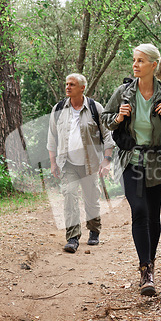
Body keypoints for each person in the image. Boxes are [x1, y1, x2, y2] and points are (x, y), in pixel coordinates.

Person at [101, 44, 161, 296]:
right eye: (134, 60)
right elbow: (105, 119)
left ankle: (149, 268)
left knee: (153, 216)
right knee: (139, 209)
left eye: (140, 61)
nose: (135, 65)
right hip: (132, 160)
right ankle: (145, 268)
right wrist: (118, 117)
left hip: (158, 160)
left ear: (153, 65)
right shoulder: (123, 92)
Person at [47, 73, 114, 253]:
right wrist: (53, 163)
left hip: (90, 163)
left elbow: (108, 135)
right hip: (67, 163)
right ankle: (72, 237)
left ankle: (94, 230)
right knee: (69, 196)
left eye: (72, 84)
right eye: (67, 83)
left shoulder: (95, 108)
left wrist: (106, 161)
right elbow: (52, 138)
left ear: (82, 88)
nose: (68, 87)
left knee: (91, 198)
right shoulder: (59, 108)